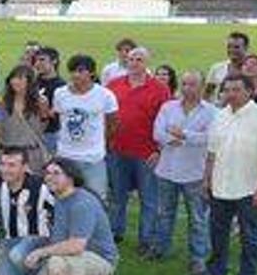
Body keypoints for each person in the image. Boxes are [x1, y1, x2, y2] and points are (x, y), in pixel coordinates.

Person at [203, 74, 257, 275]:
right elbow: (212, 152)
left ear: (251, 91)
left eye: (236, 90)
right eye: (227, 90)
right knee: (217, 231)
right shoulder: (220, 116)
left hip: (250, 189)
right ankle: (216, 269)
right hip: (221, 185)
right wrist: (207, 179)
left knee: (249, 237)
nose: (231, 94)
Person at [25, 158, 118, 275]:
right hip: (75, 257)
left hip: (100, 258)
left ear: (71, 177)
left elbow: (76, 246)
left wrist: (40, 253)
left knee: (56, 263)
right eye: (47, 173)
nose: (49, 177)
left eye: (56, 173)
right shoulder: (60, 197)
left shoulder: (82, 203)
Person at [151, 71, 217, 274]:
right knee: (164, 214)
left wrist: (184, 134)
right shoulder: (168, 107)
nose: (188, 88)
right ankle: (160, 248)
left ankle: (198, 257)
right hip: (167, 170)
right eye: (185, 84)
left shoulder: (213, 112)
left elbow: (211, 138)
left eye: (193, 84)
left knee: (197, 219)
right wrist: (175, 139)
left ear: (203, 86)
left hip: (195, 174)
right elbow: (157, 133)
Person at [107, 47, 171, 253]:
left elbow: (166, 121)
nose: (134, 63)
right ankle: (115, 231)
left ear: (147, 63)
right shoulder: (114, 85)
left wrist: (159, 150)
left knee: (149, 198)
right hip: (117, 149)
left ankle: (146, 238)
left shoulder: (160, 89)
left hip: (146, 153)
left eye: (139, 59)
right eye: (131, 59)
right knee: (118, 195)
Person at [0, 148, 52, 275]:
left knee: (18, 255)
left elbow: (62, 211)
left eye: (12, 165)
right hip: (9, 239)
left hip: (38, 238)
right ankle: (37, 273)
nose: (6, 170)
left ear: (25, 167)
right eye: (3, 164)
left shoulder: (42, 188)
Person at [50, 54, 118, 202]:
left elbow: (112, 123)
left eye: (81, 71)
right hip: (65, 156)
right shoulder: (60, 93)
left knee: (96, 200)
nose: (76, 75)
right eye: (73, 71)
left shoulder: (105, 95)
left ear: (92, 73)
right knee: (62, 198)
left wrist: (101, 143)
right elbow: (58, 118)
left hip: (92, 159)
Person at [0, 65, 48, 173]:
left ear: (29, 82)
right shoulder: (3, 103)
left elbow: (42, 128)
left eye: (20, 78)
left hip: (32, 155)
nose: (15, 81)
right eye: (13, 78)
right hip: (8, 154)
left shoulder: (40, 102)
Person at [34, 47, 66, 154]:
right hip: (29, 133)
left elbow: (60, 115)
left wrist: (45, 110)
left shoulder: (61, 87)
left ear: (54, 61)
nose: (38, 63)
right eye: (36, 60)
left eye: (42, 60)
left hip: (50, 135)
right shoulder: (32, 83)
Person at [205, 31, 250, 103]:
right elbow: (206, 93)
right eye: (229, 46)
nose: (231, 50)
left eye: (236, 47)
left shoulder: (255, 70)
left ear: (246, 48)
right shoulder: (217, 68)